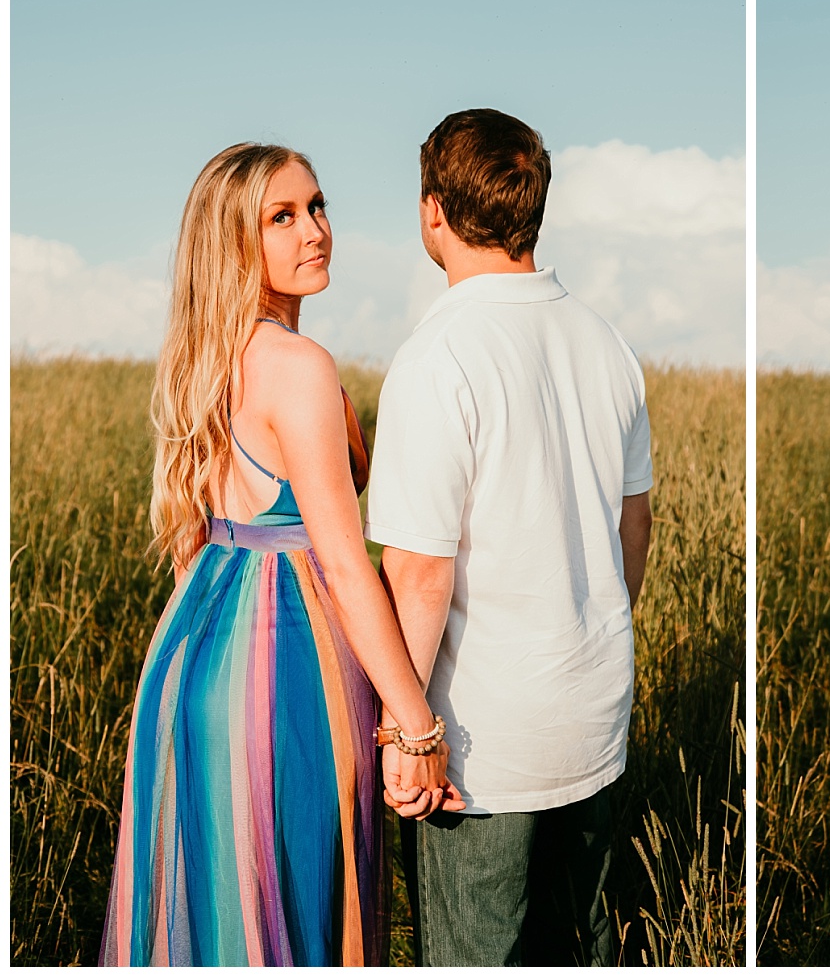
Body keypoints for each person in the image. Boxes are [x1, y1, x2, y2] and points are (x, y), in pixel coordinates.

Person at [99, 144, 463, 966]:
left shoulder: (206, 357)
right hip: (285, 663)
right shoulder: (297, 366)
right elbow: (339, 558)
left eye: (319, 205)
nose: (317, 229)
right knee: (293, 915)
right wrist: (417, 725)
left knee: (218, 917)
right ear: (234, 241)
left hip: (193, 651)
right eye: (283, 216)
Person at [364, 108, 654, 966]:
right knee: (581, 943)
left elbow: (417, 574)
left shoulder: (437, 356)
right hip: (595, 712)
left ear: (432, 212)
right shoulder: (608, 345)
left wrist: (406, 732)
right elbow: (634, 526)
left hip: (482, 745)